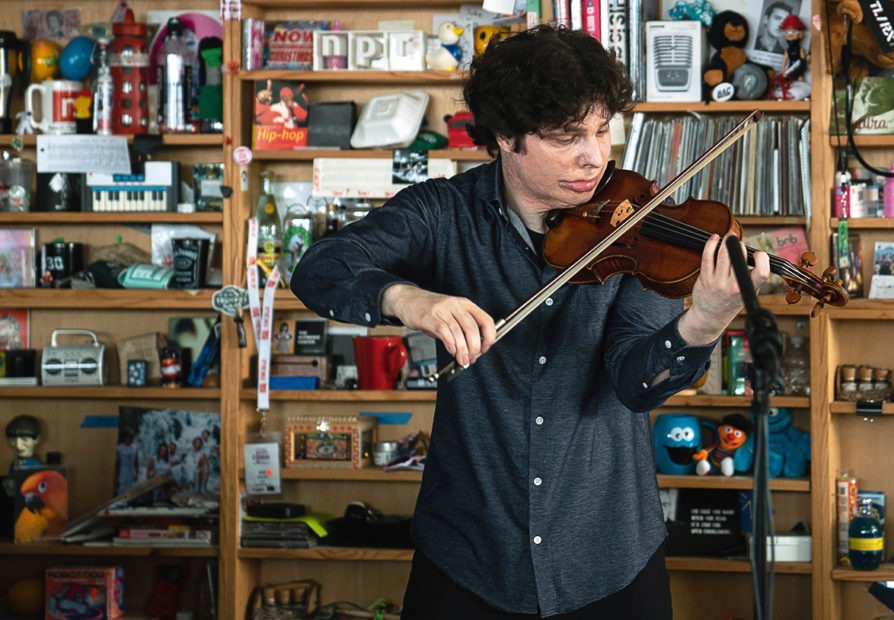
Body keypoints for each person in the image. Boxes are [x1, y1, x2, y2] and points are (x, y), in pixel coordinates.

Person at [290, 24, 770, 619]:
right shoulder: (442, 212)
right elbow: (320, 268)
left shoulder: (638, 227)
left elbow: (634, 383)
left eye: (600, 131)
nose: (593, 156)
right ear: (505, 137)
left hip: (608, 554)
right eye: (566, 138)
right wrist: (407, 299)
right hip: (468, 552)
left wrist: (703, 321)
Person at [114, 430, 139, 495]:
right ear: (125, 437)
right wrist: (116, 477)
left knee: (130, 489)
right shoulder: (119, 448)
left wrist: (136, 472)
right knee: (121, 489)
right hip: (123, 469)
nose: (130, 439)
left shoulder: (134, 447)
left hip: (131, 470)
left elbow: (136, 461)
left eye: (132, 437)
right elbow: (117, 463)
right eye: (129, 437)